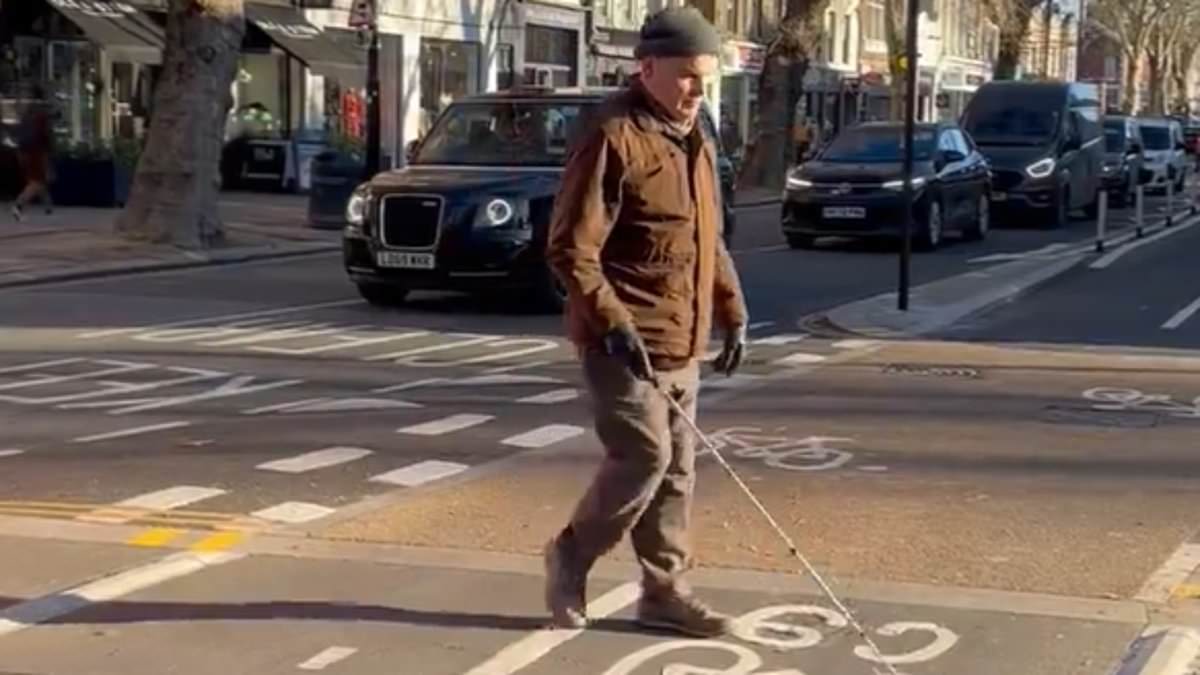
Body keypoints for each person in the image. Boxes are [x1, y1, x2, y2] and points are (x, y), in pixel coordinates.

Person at [542, 6, 749, 638]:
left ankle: (664, 593)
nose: (697, 90)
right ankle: (571, 554)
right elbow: (570, 247)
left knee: (678, 471)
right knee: (644, 455)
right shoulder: (612, 135)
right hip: (623, 339)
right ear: (647, 67)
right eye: (687, 76)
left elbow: (708, 238)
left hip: (685, 336)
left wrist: (731, 311)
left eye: (705, 77)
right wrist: (611, 323)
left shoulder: (697, 138)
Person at [12, 86, 54, 221]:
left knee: (36, 180)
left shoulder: (28, 110)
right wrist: (50, 149)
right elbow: (45, 135)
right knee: (36, 182)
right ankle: (18, 205)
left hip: (24, 150)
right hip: (37, 151)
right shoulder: (41, 113)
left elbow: (20, 130)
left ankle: (48, 205)